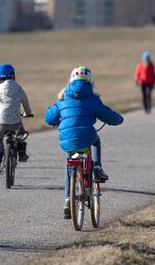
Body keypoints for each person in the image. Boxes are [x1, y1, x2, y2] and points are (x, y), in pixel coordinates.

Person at [45, 66, 124, 219]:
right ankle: (97, 167)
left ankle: (68, 199)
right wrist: (119, 119)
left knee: (70, 165)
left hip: (67, 140)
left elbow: (49, 118)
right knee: (96, 141)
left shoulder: (63, 98)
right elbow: (109, 116)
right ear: (90, 82)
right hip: (87, 136)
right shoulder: (93, 98)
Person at [0, 63, 33, 175]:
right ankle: (22, 154)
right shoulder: (18, 87)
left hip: (0, 122)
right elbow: (25, 102)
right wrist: (27, 113)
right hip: (16, 122)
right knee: (21, 134)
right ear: (12, 75)